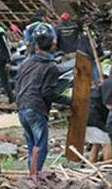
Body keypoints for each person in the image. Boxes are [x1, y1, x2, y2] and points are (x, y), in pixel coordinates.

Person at [15, 24, 71, 176]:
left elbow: (17, 84)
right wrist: (69, 101)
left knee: (31, 145)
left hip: (22, 107)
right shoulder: (51, 67)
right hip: (36, 108)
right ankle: (35, 177)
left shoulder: (26, 63)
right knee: (40, 146)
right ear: (52, 44)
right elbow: (47, 92)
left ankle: (31, 175)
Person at [86, 61, 112, 163]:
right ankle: (107, 167)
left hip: (89, 116)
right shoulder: (111, 83)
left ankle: (92, 165)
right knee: (108, 142)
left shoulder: (108, 82)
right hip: (97, 117)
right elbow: (108, 103)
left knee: (96, 143)